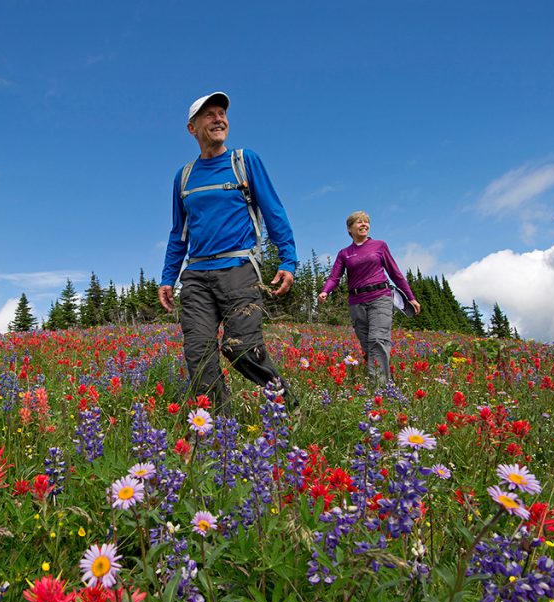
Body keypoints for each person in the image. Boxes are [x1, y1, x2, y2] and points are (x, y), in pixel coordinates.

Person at [157, 91, 298, 414]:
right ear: (192, 128)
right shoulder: (184, 177)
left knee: (243, 349)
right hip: (196, 276)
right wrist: (168, 277)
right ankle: (221, 428)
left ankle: (287, 406)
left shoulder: (245, 161)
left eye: (222, 113)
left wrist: (288, 259)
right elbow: (178, 234)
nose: (218, 119)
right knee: (198, 353)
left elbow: (274, 211)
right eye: (209, 114)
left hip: (239, 269)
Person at [317, 211, 420, 387]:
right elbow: (335, 277)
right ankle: (386, 383)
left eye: (366, 222)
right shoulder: (344, 253)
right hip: (356, 302)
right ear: (350, 229)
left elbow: (395, 273)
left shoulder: (380, 246)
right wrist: (325, 291)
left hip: (380, 297)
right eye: (359, 222)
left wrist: (411, 297)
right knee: (367, 345)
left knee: (378, 340)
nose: (364, 224)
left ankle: (379, 389)